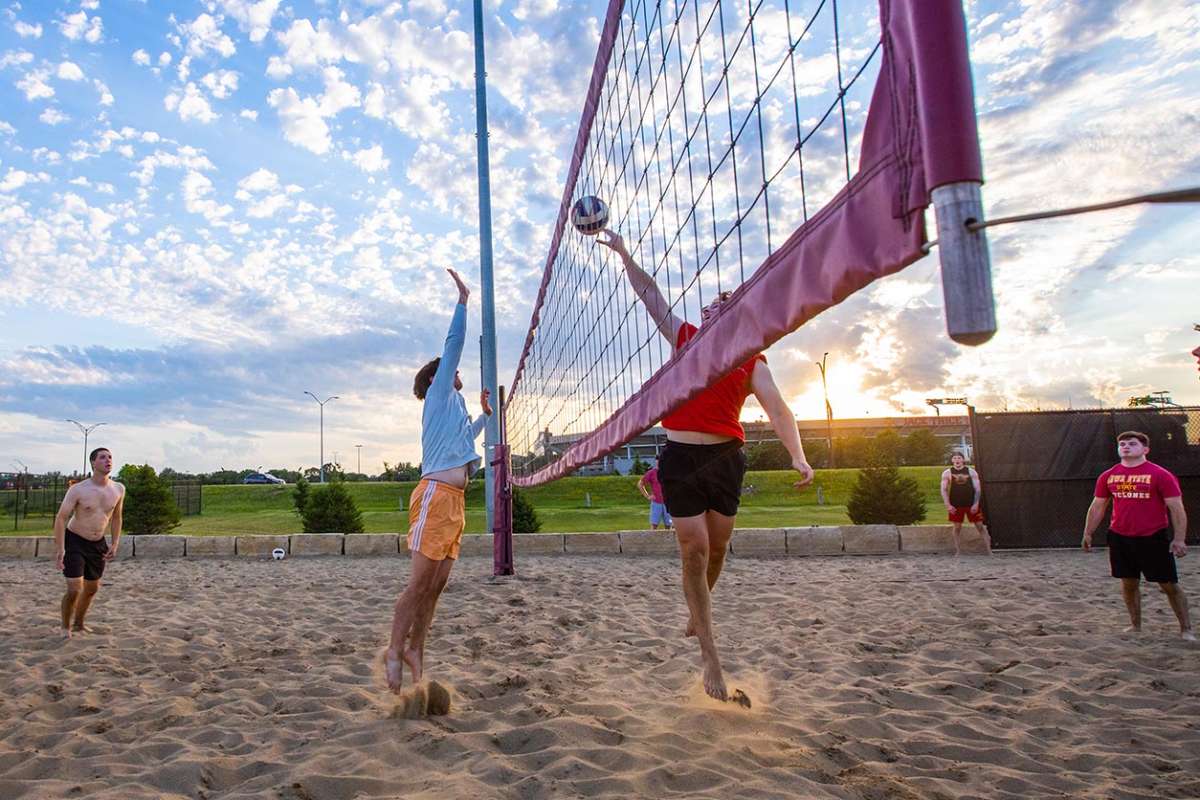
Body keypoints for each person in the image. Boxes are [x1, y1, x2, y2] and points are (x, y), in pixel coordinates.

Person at [598, 230, 814, 701]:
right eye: (713, 304)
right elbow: (650, 295)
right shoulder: (687, 340)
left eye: (727, 303)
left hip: (725, 459)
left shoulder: (752, 358)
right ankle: (711, 662)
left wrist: (798, 456)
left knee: (716, 554)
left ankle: (699, 614)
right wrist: (623, 253)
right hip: (680, 457)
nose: (717, 307)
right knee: (693, 551)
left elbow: (778, 409)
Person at [384, 268, 492, 692]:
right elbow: (453, 344)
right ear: (436, 378)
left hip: (456, 504)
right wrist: (463, 301)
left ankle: (417, 649)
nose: (456, 370)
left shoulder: (455, 410)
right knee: (418, 583)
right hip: (434, 495)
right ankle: (393, 650)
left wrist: (486, 413)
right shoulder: (438, 393)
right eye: (449, 370)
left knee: (436, 586)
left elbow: (468, 441)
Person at [1082, 431, 1193, 641]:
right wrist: (1088, 532)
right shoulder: (1108, 476)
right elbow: (1098, 506)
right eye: (1122, 444)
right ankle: (1135, 626)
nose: (1125, 447)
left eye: (1132, 444)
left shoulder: (1160, 474)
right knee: (1129, 583)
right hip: (1120, 537)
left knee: (1169, 584)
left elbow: (1176, 508)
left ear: (1145, 449)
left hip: (1153, 537)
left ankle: (1186, 629)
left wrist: (1179, 539)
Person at [53, 447, 125, 638]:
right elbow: (61, 518)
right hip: (74, 541)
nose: (108, 460)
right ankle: (65, 627)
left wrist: (115, 543)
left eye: (110, 457)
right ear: (93, 463)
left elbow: (116, 518)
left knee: (92, 589)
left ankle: (79, 624)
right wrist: (61, 549)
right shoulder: (78, 489)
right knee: (75, 588)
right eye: (102, 457)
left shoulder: (118, 489)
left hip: (98, 543)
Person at [940, 451, 992, 555]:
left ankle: (989, 551)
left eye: (959, 458)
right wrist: (948, 505)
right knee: (957, 527)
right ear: (952, 460)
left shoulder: (971, 472)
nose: (957, 460)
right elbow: (944, 489)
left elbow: (977, 489)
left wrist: (976, 503)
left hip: (971, 503)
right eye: (954, 458)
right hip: (956, 504)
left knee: (980, 526)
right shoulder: (947, 473)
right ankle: (958, 551)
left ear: (963, 460)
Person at [637, 464, 671, 530]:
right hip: (656, 503)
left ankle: (667, 540)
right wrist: (647, 496)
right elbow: (640, 484)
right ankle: (652, 540)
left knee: (669, 526)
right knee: (654, 526)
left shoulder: (670, 472)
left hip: (668, 503)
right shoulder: (651, 472)